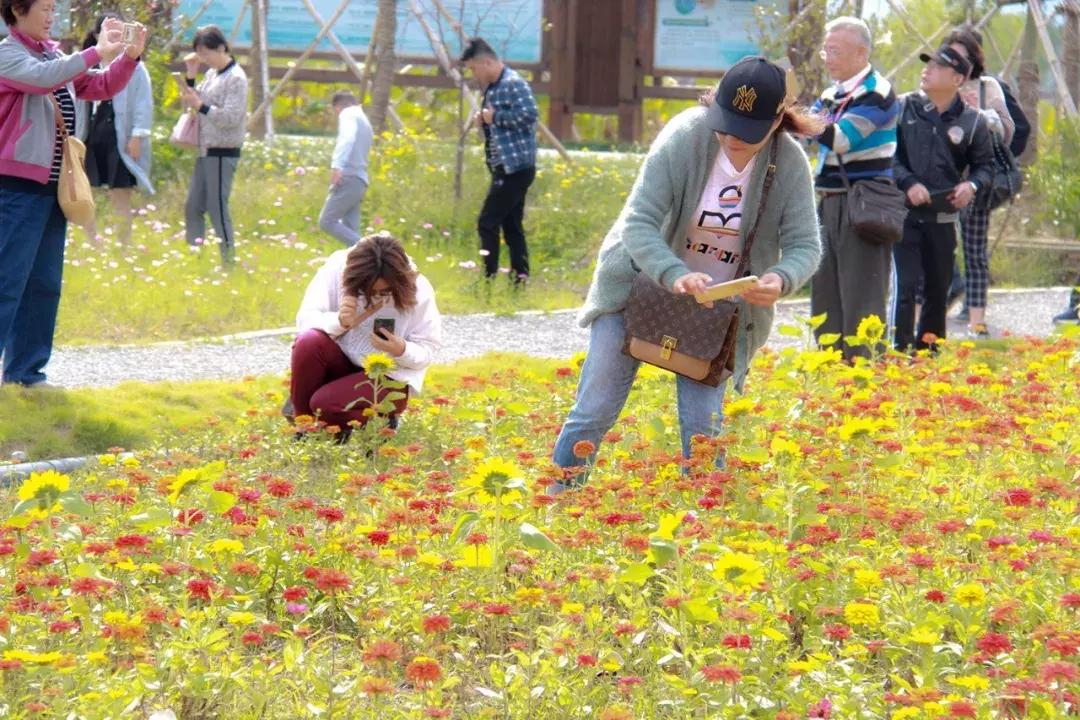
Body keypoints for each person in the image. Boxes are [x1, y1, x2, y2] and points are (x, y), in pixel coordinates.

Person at [551, 56, 824, 490]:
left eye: (747, 129)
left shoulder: (789, 164)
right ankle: (557, 501)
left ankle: (700, 529)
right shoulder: (685, 135)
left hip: (718, 309)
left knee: (703, 429)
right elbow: (638, 221)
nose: (731, 137)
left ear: (776, 121)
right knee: (594, 409)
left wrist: (781, 278)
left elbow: (805, 245)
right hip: (637, 282)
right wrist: (673, 271)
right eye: (725, 123)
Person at [0, 1, 146, 387]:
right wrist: (97, 50)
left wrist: (127, 58)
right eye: (44, 8)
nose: (52, 16)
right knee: (6, 283)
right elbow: (42, 78)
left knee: (44, 284)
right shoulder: (8, 54)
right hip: (15, 189)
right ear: (16, 9)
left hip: (52, 188)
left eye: (53, 8)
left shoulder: (54, 55)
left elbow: (99, 85)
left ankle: (26, 374)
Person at [891, 45, 993, 352]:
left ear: (958, 79)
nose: (927, 70)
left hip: (943, 218)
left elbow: (986, 166)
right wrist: (908, 182)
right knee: (906, 287)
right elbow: (887, 155)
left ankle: (928, 354)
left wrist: (972, 186)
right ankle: (899, 349)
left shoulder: (973, 121)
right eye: (927, 65)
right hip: (905, 216)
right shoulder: (902, 107)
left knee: (938, 290)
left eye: (936, 66)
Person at [809, 17, 899, 360]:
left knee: (863, 295)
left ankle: (864, 379)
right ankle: (829, 369)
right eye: (825, 50)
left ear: (862, 53)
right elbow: (811, 126)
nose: (827, 57)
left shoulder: (878, 92)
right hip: (828, 200)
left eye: (835, 50)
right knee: (825, 293)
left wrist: (797, 116)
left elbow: (841, 138)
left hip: (863, 203)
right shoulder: (832, 93)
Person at [291, 232, 442, 434]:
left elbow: (427, 350)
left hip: (388, 376)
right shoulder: (337, 267)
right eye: (366, 290)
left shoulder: (417, 287)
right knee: (308, 341)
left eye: (384, 292)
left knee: (324, 404)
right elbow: (304, 322)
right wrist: (340, 321)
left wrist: (401, 349)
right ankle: (305, 429)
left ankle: (384, 421)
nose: (375, 296)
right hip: (341, 363)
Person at [943, 28, 1014, 338]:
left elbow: (1005, 131)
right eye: (952, 55)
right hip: (941, 179)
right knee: (938, 248)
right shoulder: (938, 84)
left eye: (964, 56)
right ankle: (931, 316)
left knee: (974, 250)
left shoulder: (988, 87)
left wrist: (981, 114)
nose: (958, 62)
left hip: (974, 180)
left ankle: (977, 321)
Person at [459, 37, 538, 284]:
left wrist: (496, 117)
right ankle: (519, 278)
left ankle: (488, 279)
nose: (474, 73)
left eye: (474, 68)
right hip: (503, 166)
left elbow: (530, 115)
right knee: (511, 224)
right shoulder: (493, 87)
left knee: (487, 221)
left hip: (516, 168)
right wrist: (484, 121)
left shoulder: (513, 83)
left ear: (488, 62)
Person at [78, 11, 155, 246]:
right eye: (110, 30)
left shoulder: (134, 66)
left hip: (119, 134)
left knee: (120, 191)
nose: (115, 35)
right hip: (93, 131)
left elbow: (144, 102)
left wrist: (137, 135)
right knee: (86, 190)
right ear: (98, 34)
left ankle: (124, 244)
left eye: (120, 31)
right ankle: (93, 241)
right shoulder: (87, 62)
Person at [179, 25, 248, 264]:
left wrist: (201, 107)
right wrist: (190, 74)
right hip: (205, 149)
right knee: (193, 205)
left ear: (221, 48)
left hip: (223, 151)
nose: (204, 58)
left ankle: (228, 262)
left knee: (217, 207)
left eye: (206, 53)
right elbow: (194, 101)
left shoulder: (236, 78)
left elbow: (231, 117)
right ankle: (194, 257)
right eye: (200, 54)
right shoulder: (211, 74)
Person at [318, 90, 373, 247]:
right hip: (359, 180)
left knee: (326, 221)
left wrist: (337, 166)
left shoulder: (348, 114)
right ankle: (359, 266)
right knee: (351, 230)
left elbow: (346, 139)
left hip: (348, 177)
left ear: (338, 106)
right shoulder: (364, 120)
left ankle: (371, 251)